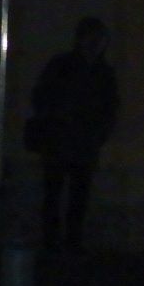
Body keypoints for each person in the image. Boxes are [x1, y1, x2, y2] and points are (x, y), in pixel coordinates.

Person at [28, 18, 118, 252]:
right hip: (60, 139)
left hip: (84, 141)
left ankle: (71, 240)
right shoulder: (63, 66)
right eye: (91, 38)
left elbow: (110, 108)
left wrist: (99, 134)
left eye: (100, 39)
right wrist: (54, 118)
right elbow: (41, 96)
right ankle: (52, 239)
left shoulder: (103, 73)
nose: (95, 44)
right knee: (54, 193)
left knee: (78, 195)